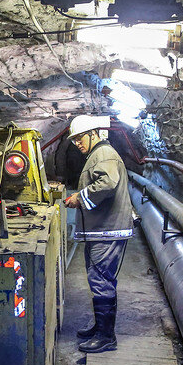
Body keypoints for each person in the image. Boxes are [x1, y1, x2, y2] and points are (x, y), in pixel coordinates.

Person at [62, 115, 134, 352]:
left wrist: (78, 198)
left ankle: (106, 337)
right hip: (102, 229)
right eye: (74, 141)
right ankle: (100, 327)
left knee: (101, 281)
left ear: (93, 133)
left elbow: (107, 184)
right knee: (99, 279)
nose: (78, 144)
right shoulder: (98, 153)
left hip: (107, 229)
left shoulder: (103, 154)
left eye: (80, 138)